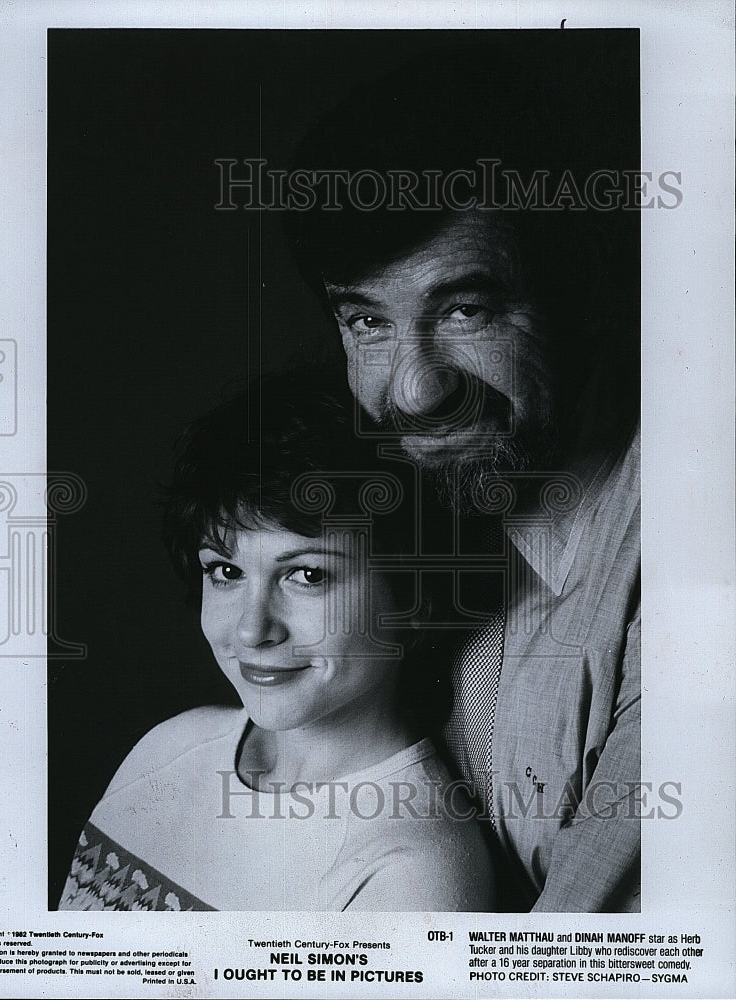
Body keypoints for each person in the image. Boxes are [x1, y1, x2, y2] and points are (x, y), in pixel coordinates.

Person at [284, 33, 641, 911]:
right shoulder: (418, 526)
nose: (413, 390)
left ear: (579, 291)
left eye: (466, 309)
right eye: (366, 322)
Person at [58, 374, 495, 912]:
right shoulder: (170, 747)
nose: (251, 629)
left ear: (415, 599)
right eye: (225, 571)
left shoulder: (410, 876)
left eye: (307, 575)